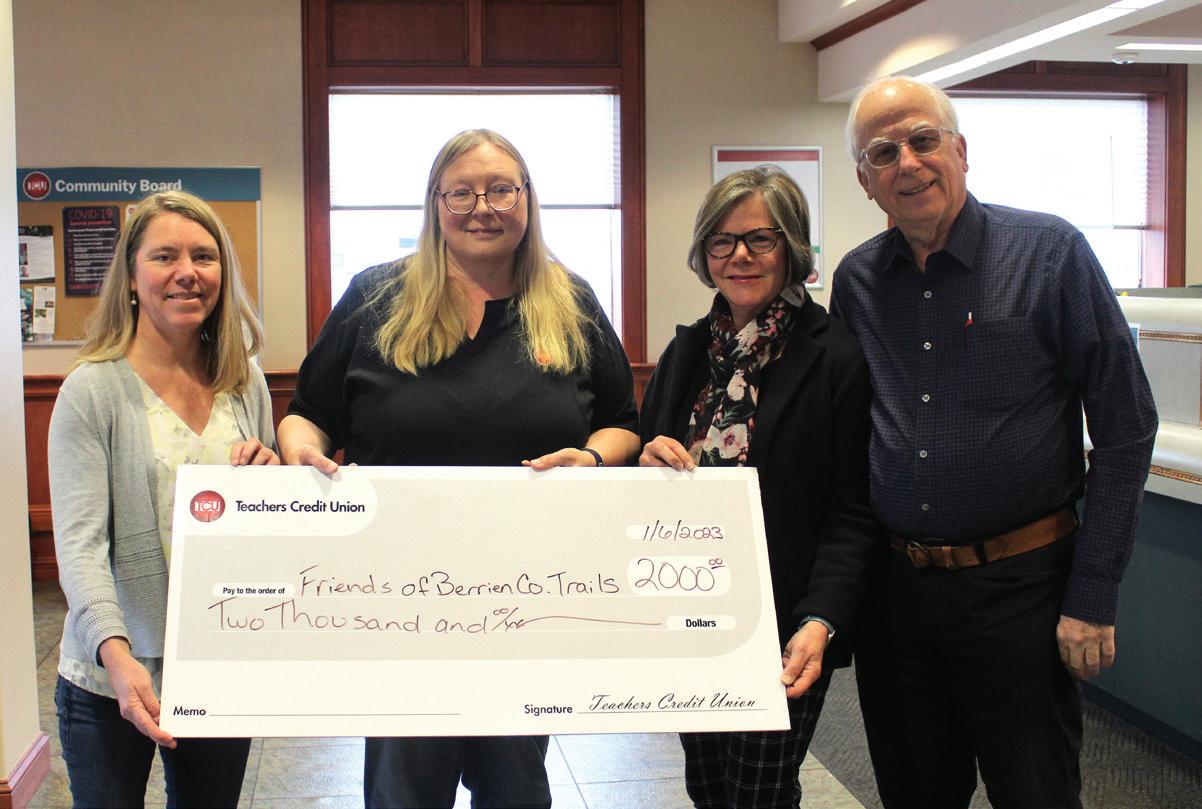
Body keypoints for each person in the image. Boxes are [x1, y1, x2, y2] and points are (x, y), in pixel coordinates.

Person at [279, 128, 640, 809]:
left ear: (527, 199)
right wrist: (300, 450)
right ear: (434, 203)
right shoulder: (374, 296)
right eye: (462, 193)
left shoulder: (571, 300)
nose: (483, 207)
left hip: (533, 598)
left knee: (515, 788)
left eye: (502, 189)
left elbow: (623, 420)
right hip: (394, 604)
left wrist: (593, 456)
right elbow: (308, 413)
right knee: (405, 790)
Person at [831, 75, 1159, 809]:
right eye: (883, 152)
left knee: (1035, 791)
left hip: (1023, 593)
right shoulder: (857, 282)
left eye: (923, 140)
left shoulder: (1050, 253)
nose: (908, 163)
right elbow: (848, 435)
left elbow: (1127, 426)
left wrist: (1094, 593)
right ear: (865, 180)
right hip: (898, 600)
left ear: (960, 150)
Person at [639, 166, 877, 809]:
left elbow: (853, 511)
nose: (739, 255)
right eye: (721, 240)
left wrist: (822, 618)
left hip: (785, 621)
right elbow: (645, 473)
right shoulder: (687, 354)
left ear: (791, 247)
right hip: (689, 611)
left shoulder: (835, 357)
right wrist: (647, 460)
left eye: (759, 239)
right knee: (708, 786)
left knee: (759, 793)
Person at [49, 190, 278, 808]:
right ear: (130, 277)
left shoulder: (244, 381)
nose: (187, 272)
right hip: (110, 675)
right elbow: (80, 548)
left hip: (216, 662)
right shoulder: (91, 391)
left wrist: (271, 483)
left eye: (204, 256)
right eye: (164, 256)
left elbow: (262, 532)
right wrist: (116, 656)